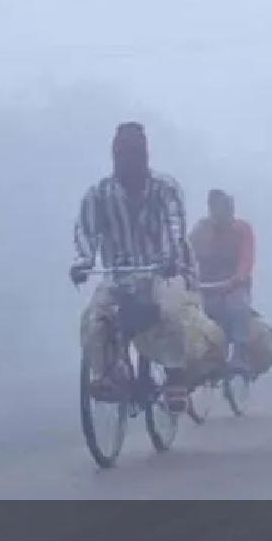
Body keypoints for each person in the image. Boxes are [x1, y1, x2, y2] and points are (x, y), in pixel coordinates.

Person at [70, 122, 220, 412]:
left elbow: (174, 226)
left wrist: (169, 256)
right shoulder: (98, 195)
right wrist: (83, 262)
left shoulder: (166, 190)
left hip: (163, 271)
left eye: (133, 154)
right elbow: (86, 233)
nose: (127, 160)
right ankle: (110, 373)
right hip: (120, 276)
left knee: (172, 310)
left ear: (145, 157)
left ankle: (176, 376)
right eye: (121, 154)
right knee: (94, 318)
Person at [189, 189, 256, 372]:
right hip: (205, 286)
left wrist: (237, 279)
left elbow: (246, 259)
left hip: (233, 285)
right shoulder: (200, 230)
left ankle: (240, 352)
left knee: (238, 306)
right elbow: (186, 255)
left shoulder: (242, 230)